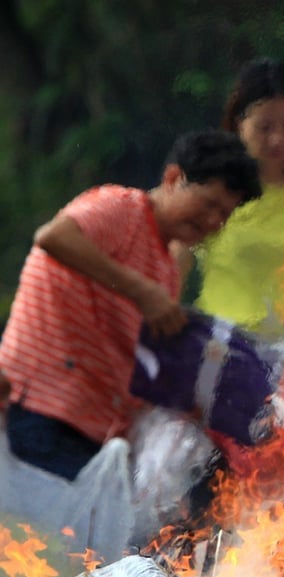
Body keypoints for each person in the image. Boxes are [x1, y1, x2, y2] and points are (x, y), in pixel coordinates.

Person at [0, 130, 261, 481]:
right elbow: (53, 237)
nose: (213, 221)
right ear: (173, 178)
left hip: (93, 434)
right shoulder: (120, 207)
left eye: (224, 215)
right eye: (209, 204)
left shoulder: (166, 268)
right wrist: (141, 291)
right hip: (40, 410)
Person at [189, 58, 284, 356]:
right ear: (239, 124)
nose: (278, 139)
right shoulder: (212, 187)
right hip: (221, 345)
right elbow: (176, 257)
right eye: (264, 127)